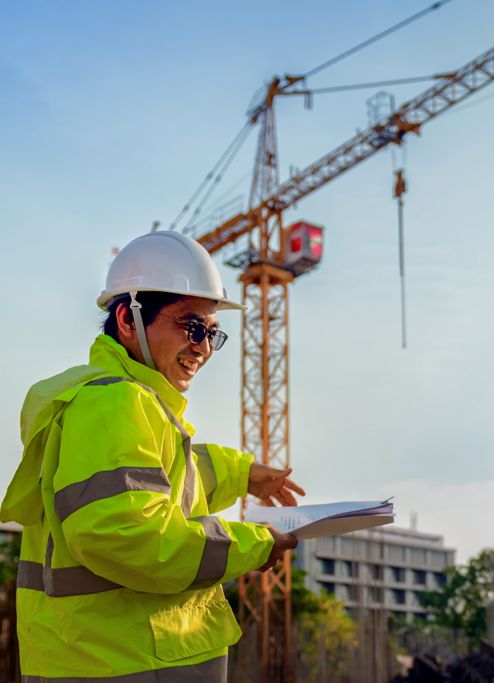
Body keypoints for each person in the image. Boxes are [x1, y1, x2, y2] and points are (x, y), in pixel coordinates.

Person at [2, 230, 303, 681]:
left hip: (115, 657)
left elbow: (158, 479)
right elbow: (129, 537)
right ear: (127, 318)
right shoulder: (114, 402)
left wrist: (241, 473)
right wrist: (251, 544)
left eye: (212, 334)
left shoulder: (130, 403)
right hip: (124, 661)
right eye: (192, 326)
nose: (202, 348)